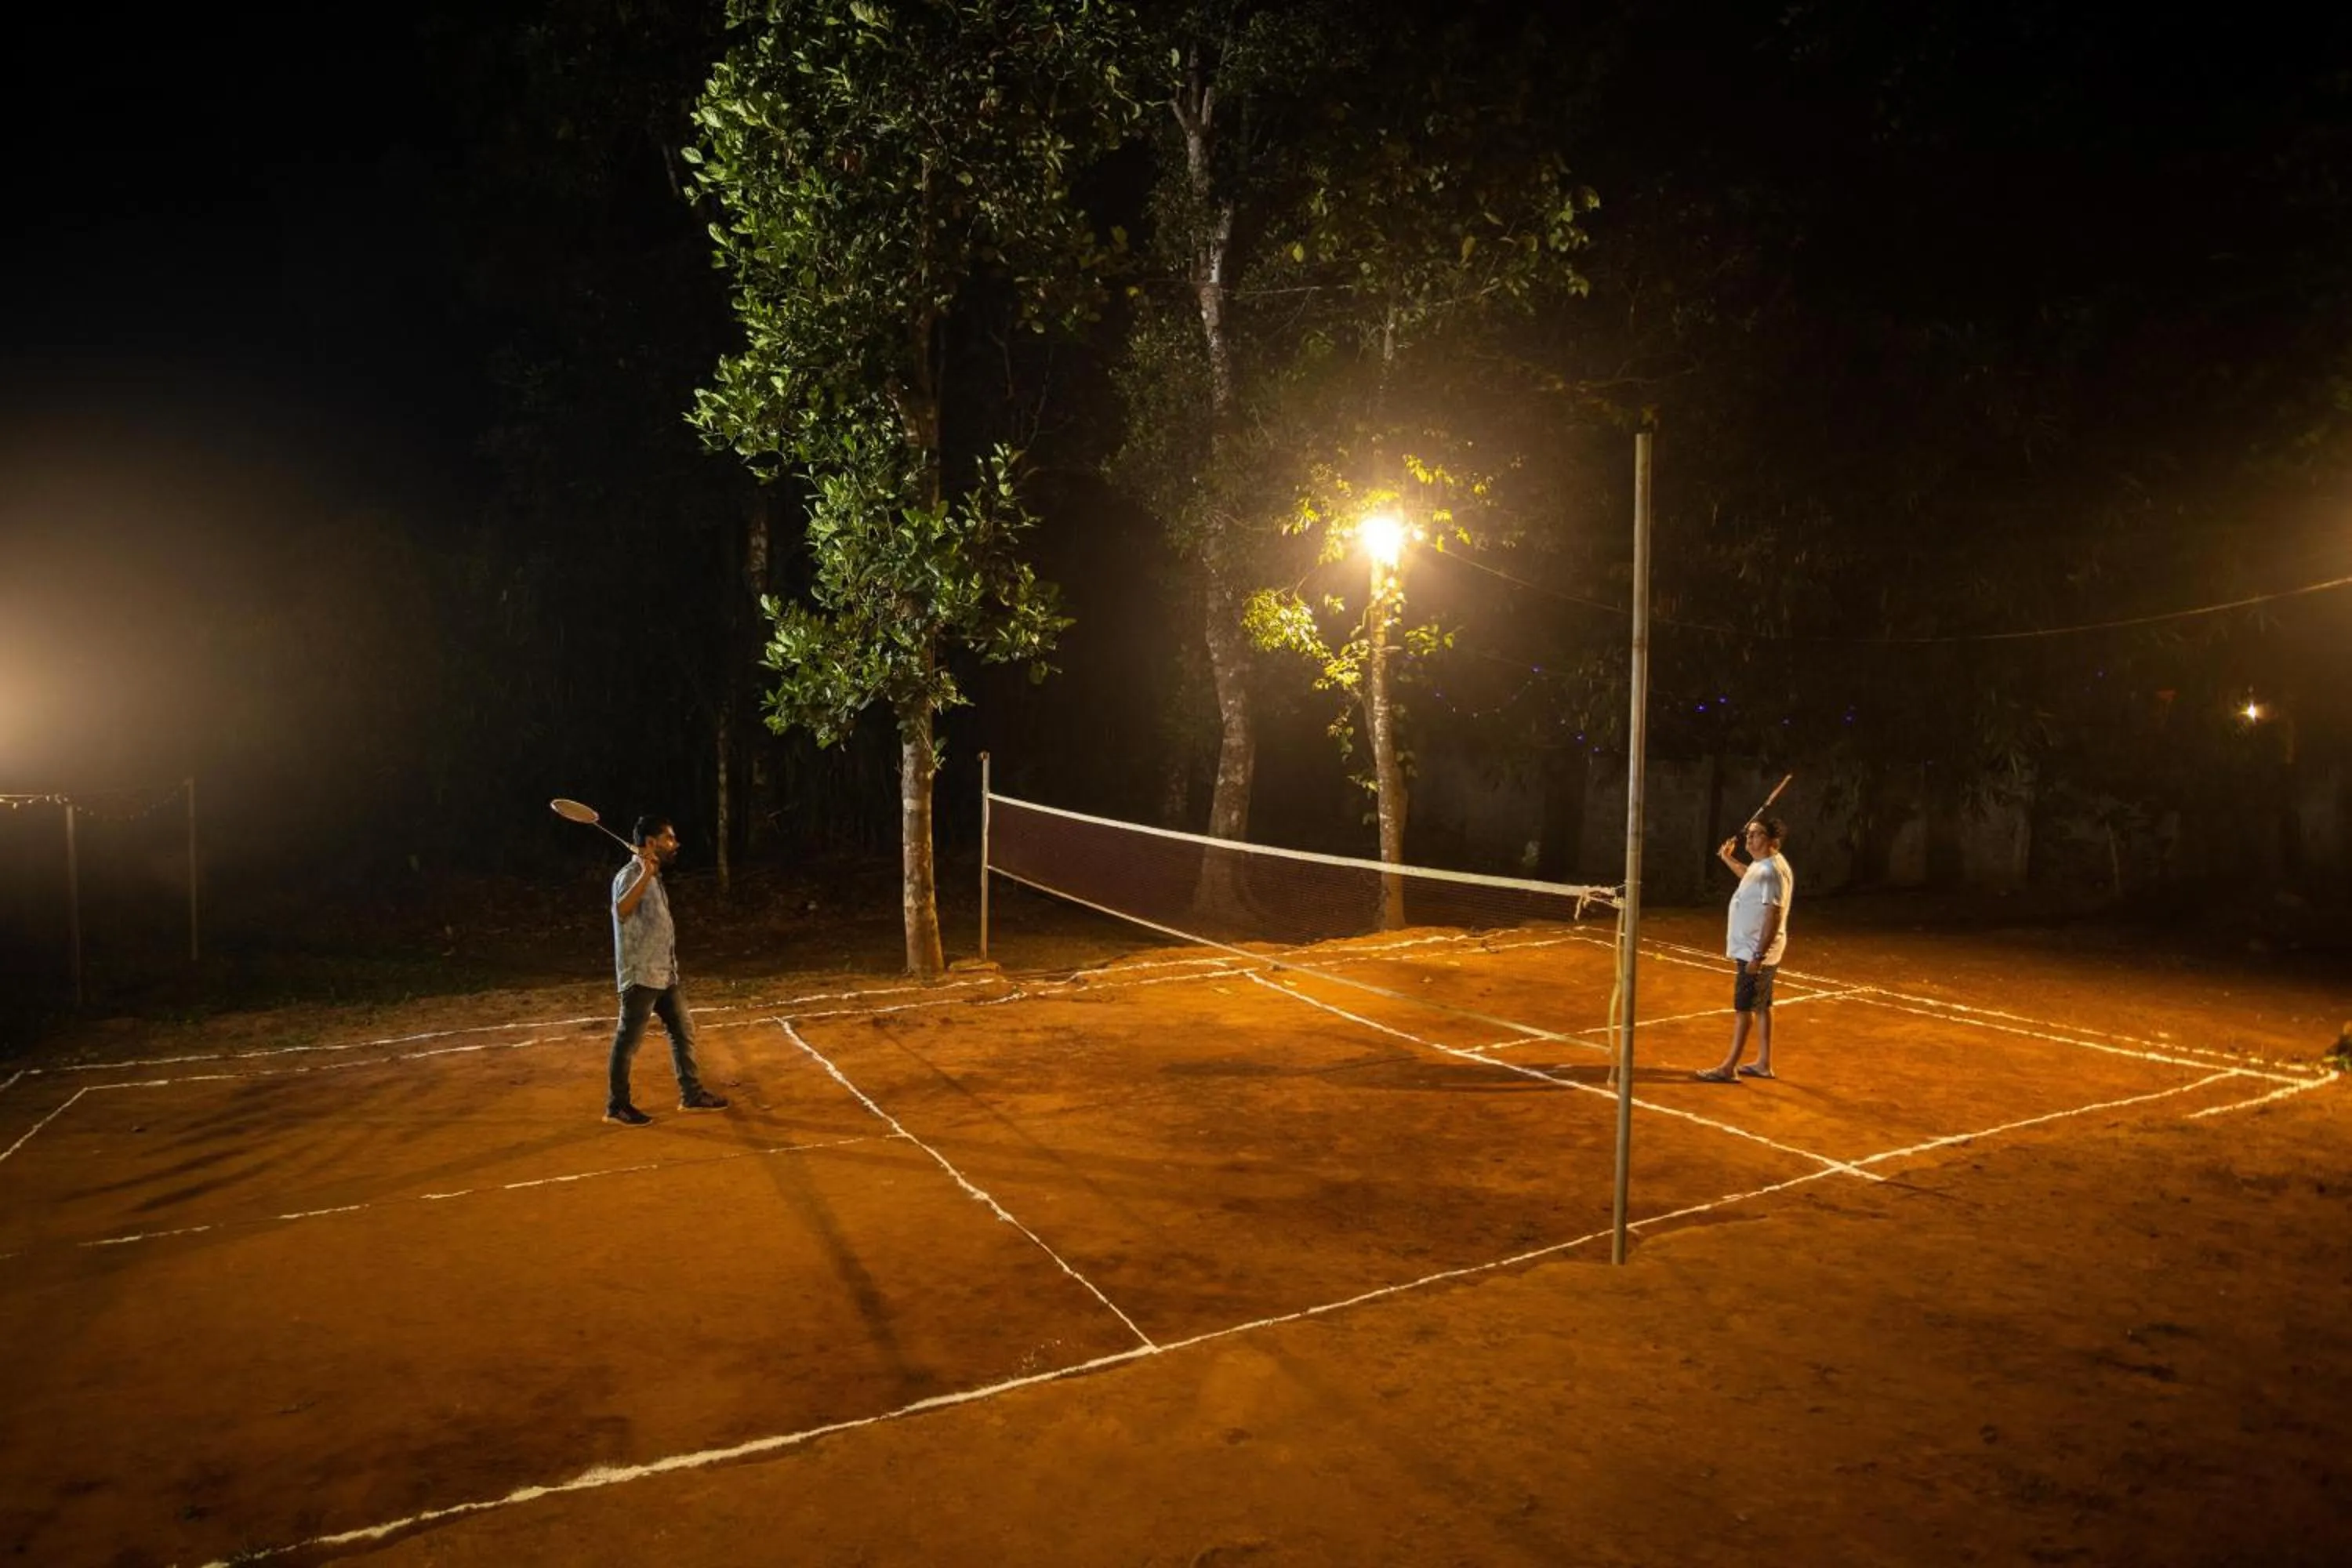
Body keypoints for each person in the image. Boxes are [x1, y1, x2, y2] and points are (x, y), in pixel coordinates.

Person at [605, 815, 728, 1124]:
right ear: (651, 843)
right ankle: (617, 1105)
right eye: (669, 839)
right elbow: (620, 910)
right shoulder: (630, 875)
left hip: (664, 975)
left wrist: (650, 874)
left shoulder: (653, 876)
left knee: (683, 1029)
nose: (676, 844)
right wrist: (645, 874)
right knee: (628, 1042)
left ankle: (692, 1095)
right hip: (641, 976)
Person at [1696, 817, 1793, 1083]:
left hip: (1755, 951)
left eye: (1757, 835)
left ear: (1772, 842)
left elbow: (1774, 914)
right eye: (1749, 834)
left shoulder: (1772, 872)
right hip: (1756, 949)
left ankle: (1728, 1068)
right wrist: (1728, 859)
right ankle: (1763, 1063)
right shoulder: (1762, 866)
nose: (1749, 839)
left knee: (1744, 1008)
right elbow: (1748, 876)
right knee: (1763, 1005)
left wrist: (1758, 957)